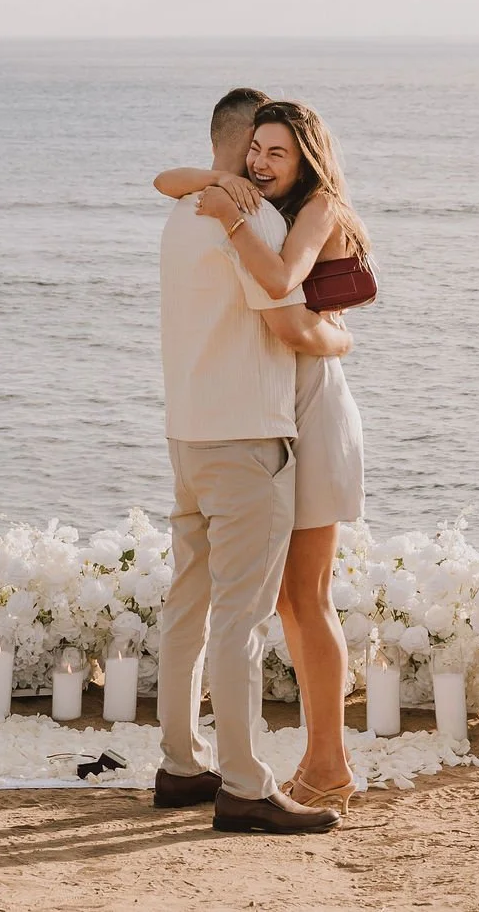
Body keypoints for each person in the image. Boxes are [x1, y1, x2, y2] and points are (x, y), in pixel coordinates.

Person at [156, 98, 370, 815]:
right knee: (284, 598)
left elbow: (286, 301)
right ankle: (311, 764)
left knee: (305, 597)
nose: (262, 163)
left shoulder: (310, 210)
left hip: (309, 404)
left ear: (306, 156)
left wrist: (227, 211)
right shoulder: (253, 206)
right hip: (275, 409)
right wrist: (211, 187)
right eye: (257, 151)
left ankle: (326, 764)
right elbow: (166, 179)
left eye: (278, 153)